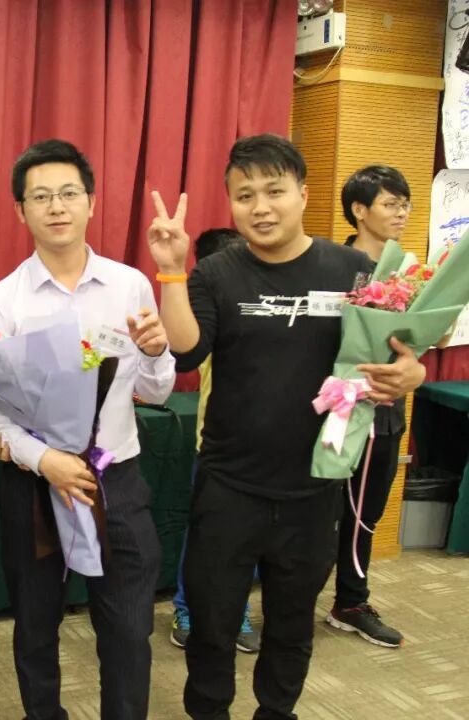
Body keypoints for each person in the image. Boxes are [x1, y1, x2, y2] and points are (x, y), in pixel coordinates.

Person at [147, 134, 426, 719]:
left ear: (303, 192)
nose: (261, 207)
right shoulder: (217, 272)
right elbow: (187, 352)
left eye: (274, 191)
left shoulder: (353, 270)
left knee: (292, 629)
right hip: (228, 486)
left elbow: (399, 351)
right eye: (245, 195)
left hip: (313, 487)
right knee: (212, 628)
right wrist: (171, 272)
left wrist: (411, 373)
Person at [0, 139, 175, 720]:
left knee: (129, 630)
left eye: (68, 193)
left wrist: (156, 353)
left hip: (117, 480)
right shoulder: (2, 301)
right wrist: (45, 460)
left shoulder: (130, 286)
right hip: (36, 485)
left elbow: (156, 391)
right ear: (21, 210)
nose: (56, 207)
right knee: (36, 628)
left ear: (91, 202)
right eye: (40, 197)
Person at [324, 165, 413, 648]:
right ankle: (288, 598)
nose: (401, 214)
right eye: (390, 204)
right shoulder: (332, 267)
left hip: (386, 409)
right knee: (318, 512)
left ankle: (351, 602)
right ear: (359, 210)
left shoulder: (408, 272)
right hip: (335, 408)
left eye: (405, 205)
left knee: (366, 512)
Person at [170, 228, 260, 655]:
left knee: (250, 539)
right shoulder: (203, 311)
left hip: (265, 449)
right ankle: (186, 609)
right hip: (216, 447)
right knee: (205, 536)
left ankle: (237, 610)